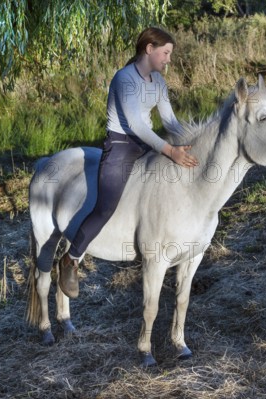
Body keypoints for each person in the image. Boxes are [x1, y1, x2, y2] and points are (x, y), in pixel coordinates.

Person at [58, 27, 199, 298]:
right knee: (106, 206)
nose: (169, 59)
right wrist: (170, 150)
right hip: (122, 145)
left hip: (148, 144)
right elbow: (135, 124)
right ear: (149, 49)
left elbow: (169, 122)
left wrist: (190, 144)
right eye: (166, 53)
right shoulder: (124, 79)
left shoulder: (158, 81)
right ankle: (71, 259)